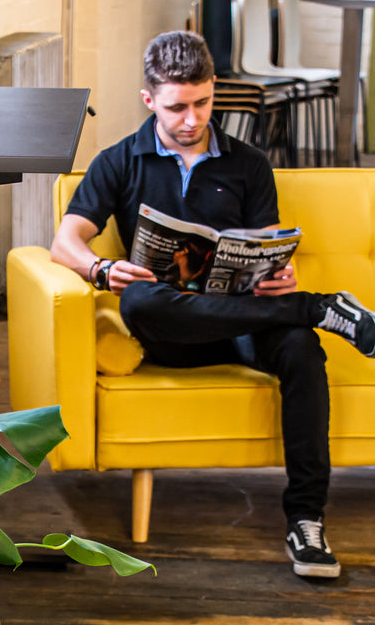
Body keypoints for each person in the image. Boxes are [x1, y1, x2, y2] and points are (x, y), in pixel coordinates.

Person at [50, 29, 375, 579]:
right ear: (149, 99)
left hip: (243, 324)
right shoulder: (119, 161)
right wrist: (101, 269)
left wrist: (277, 274)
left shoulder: (247, 163)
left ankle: (306, 520)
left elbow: (267, 243)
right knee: (143, 302)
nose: (192, 119)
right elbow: (65, 242)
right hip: (172, 332)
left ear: (213, 89)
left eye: (203, 102)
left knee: (300, 348)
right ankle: (319, 307)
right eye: (177, 107)